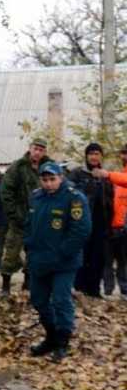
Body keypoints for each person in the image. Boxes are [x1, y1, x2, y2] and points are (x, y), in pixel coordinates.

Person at [24, 162, 91, 362]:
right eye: (44, 180)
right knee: (38, 300)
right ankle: (51, 337)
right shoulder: (36, 197)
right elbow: (28, 224)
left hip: (64, 262)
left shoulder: (74, 198)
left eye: (52, 179)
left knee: (61, 300)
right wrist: (28, 245)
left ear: (60, 177)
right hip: (39, 260)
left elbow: (82, 230)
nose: (48, 184)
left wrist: (63, 252)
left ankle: (62, 342)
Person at [0, 139, 53, 296]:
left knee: (34, 254)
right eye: (35, 148)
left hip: (40, 220)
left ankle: (28, 284)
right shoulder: (18, 167)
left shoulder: (48, 167)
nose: (38, 152)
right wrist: (15, 215)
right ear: (30, 149)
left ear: (45, 152)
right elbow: (6, 192)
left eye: (41, 150)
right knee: (11, 252)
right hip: (20, 219)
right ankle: (5, 286)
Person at [68, 142, 113, 297]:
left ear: (101, 156)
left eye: (97, 153)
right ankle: (79, 288)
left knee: (98, 257)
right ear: (86, 156)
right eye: (91, 153)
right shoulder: (77, 174)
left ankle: (94, 290)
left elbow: (111, 199)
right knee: (82, 255)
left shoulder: (106, 176)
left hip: (102, 224)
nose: (94, 157)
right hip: (82, 222)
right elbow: (70, 197)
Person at [91, 146, 127, 300]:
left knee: (123, 261)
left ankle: (124, 291)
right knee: (107, 261)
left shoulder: (117, 177)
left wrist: (108, 174)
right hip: (110, 226)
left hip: (124, 228)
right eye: (123, 153)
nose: (124, 156)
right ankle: (108, 291)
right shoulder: (118, 176)